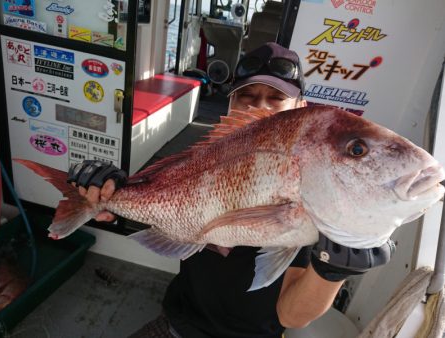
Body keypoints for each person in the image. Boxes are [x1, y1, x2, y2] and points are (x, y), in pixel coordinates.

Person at [68, 42, 395, 338]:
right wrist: (113, 189)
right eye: (246, 98)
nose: (259, 109)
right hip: (177, 324)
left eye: (276, 98)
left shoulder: (317, 184)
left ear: (301, 107)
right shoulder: (205, 156)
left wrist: (333, 270)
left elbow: (292, 315)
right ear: (229, 105)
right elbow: (159, 198)